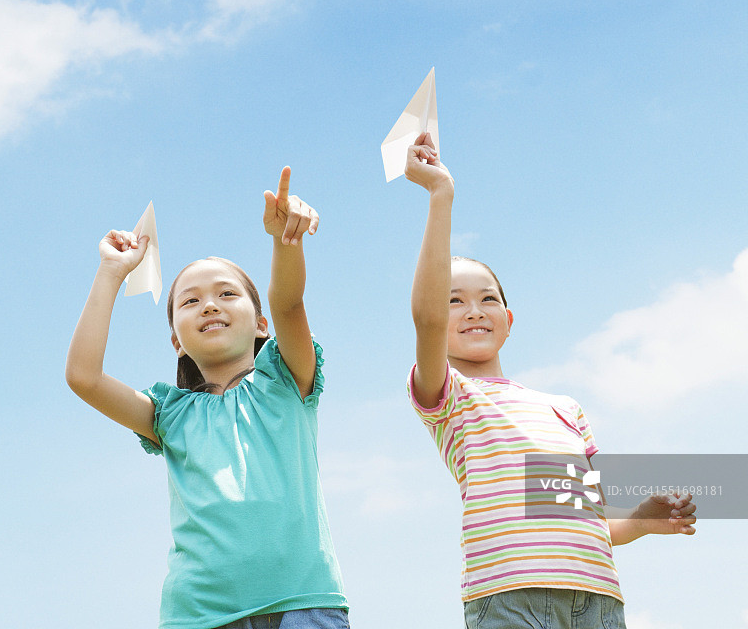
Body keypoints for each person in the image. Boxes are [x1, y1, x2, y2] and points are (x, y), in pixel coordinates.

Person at [404, 132, 696, 629]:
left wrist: (644, 520)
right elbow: (426, 319)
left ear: (509, 319)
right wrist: (440, 195)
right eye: (454, 300)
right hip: (509, 597)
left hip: (599, 600)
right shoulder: (452, 397)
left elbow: (593, 516)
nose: (473, 311)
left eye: (487, 299)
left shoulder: (564, 408)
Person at [65, 167, 349, 629]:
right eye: (190, 301)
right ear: (176, 339)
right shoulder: (169, 415)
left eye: (226, 293)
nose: (210, 305)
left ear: (261, 325)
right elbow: (83, 376)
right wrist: (111, 272)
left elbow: (289, 303)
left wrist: (285, 242)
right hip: (197, 617)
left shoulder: (286, 379)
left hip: (303, 603)